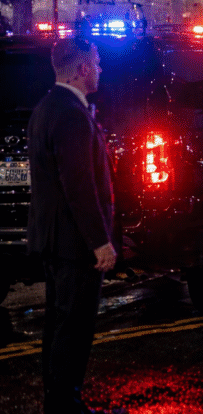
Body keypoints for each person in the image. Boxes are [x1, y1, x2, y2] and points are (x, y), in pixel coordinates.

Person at [28, 37, 117, 413]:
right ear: (81, 69)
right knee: (75, 326)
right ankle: (66, 401)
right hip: (74, 243)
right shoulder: (70, 113)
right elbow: (78, 185)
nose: (100, 69)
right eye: (96, 63)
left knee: (59, 323)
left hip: (53, 238)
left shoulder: (46, 107)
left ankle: (57, 397)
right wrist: (100, 242)